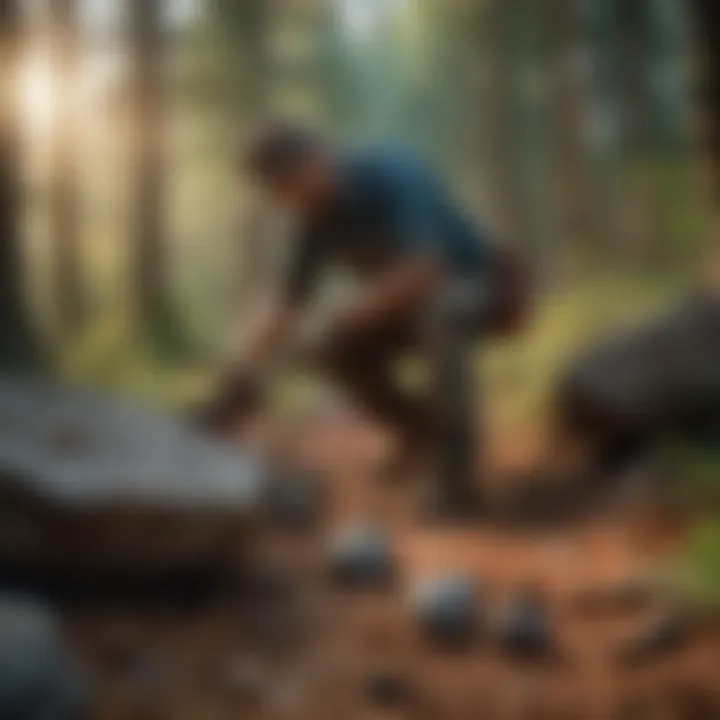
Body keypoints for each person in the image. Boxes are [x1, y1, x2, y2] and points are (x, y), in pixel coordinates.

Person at [199, 123, 531, 516]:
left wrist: (348, 314)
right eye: (281, 195)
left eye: (292, 183)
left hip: (478, 287)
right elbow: (284, 304)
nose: (292, 201)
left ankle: (457, 479)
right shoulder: (315, 219)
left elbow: (426, 268)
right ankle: (419, 431)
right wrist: (237, 377)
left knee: (441, 310)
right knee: (324, 345)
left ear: (316, 158)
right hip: (403, 310)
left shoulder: (391, 170)